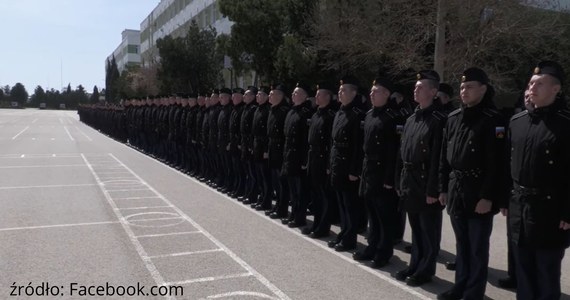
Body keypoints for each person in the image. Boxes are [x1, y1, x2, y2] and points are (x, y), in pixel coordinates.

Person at [437, 68, 506, 300]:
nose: (464, 91)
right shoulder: (454, 117)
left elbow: (496, 164)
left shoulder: (493, 120)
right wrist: (443, 188)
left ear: (483, 89)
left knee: (477, 248)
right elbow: (444, 157)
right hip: (457, 189)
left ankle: (474, 293)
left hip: (478, 193)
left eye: (470, 87)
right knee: (462, 245)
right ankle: (460, 286)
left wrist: (487, 197)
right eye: (462, 87)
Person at [507, 61, 570, 300]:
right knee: (523, 271)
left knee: (546, 273)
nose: (532, 87)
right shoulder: (517, 122)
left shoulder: (565, 125)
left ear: (556, 89)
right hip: (520, 208)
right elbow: (508, 166)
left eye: (540, 83)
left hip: (550, 211)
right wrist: (506, 199)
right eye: (531, 83)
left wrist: (568, 211)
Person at [394, 70, 446, 286]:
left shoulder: (438, 120)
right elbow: (402, 152)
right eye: (415, 86)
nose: (416, 89)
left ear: (433, 92)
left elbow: (438, 158)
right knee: (415, 228)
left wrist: (433, 189)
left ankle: (425, 270)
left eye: (421, 86)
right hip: (410, 180)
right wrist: (398, 180)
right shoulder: (411, 118)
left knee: (428, 231)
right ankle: (415, 264)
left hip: (426, 183)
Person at [353, 78, 399, 268]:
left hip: (382, 173)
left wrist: (389, 178)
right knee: (372, 213)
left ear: (387, 94)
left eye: (376, 91)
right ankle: (372, 246)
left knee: (384, 217)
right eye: (371, 91)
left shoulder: (392, 118)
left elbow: (394, 151)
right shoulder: (370, 115)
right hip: (369, 170)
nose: (371, 94)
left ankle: (383, 252)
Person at [327, 76, 365, 252]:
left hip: (348, 165)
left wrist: (354, 170)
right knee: (341, 203)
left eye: (344, 90)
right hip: (337, 163)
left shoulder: (357, 114)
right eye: (339, 90)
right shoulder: (340, 112)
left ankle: (350, 238)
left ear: (354, 93)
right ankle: (344, 232)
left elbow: (358, 146)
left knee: (350, 205)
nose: (340, 93)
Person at [303, 82, 339, 238]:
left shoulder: (331, 116)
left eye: (319, 94)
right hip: (314, 158)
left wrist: (328, 164)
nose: (316, 96)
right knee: (316, 195)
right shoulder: (316, 113)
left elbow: (331, 143)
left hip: (323, 159)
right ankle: (316, 224)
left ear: (328, 97)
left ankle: (323, 227)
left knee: (325, 197)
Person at [281, 82, 315, 227]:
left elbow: (306, 140)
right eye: (293, 93)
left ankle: (299, 217)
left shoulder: (307, 113)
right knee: (293, 190)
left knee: (301, 191)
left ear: (305, 96)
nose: (293, 95)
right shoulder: (291, 111)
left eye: (297, 93)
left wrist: (304, 161)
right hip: (289, 156)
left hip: (299, 157)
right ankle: (294, 214)